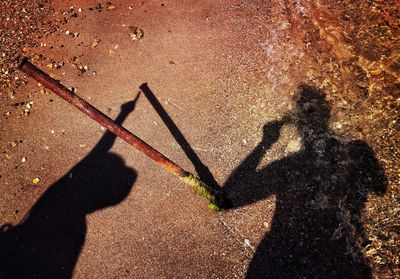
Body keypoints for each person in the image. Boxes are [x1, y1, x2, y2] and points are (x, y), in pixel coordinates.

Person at [224, 85, 387, 278]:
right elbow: (380, 188)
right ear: (328, 113)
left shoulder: (288, 168)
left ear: (298, 123)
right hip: (340, 262)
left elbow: (227, 200)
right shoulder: (355, 152)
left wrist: (264, 144)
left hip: (286, 263)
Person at [0, 97, 139, 279]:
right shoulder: (65, 222)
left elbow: (98, 152)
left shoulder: (49, 212)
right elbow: (98, 152)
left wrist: (123, 114)